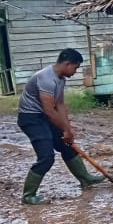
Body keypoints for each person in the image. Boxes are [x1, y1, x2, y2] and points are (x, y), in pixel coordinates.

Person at [16, 49, 104, 204]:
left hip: (43, 115)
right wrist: (65, 129)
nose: (75, 71)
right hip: (31, 118)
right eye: (75, 68)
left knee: (67, 145)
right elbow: (49, 110)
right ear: (67, 63)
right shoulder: (46, 78)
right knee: (46, 156)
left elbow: (60, 104)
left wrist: (68, 129)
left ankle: (85, 179)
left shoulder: (61, 78)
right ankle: (28, 195)